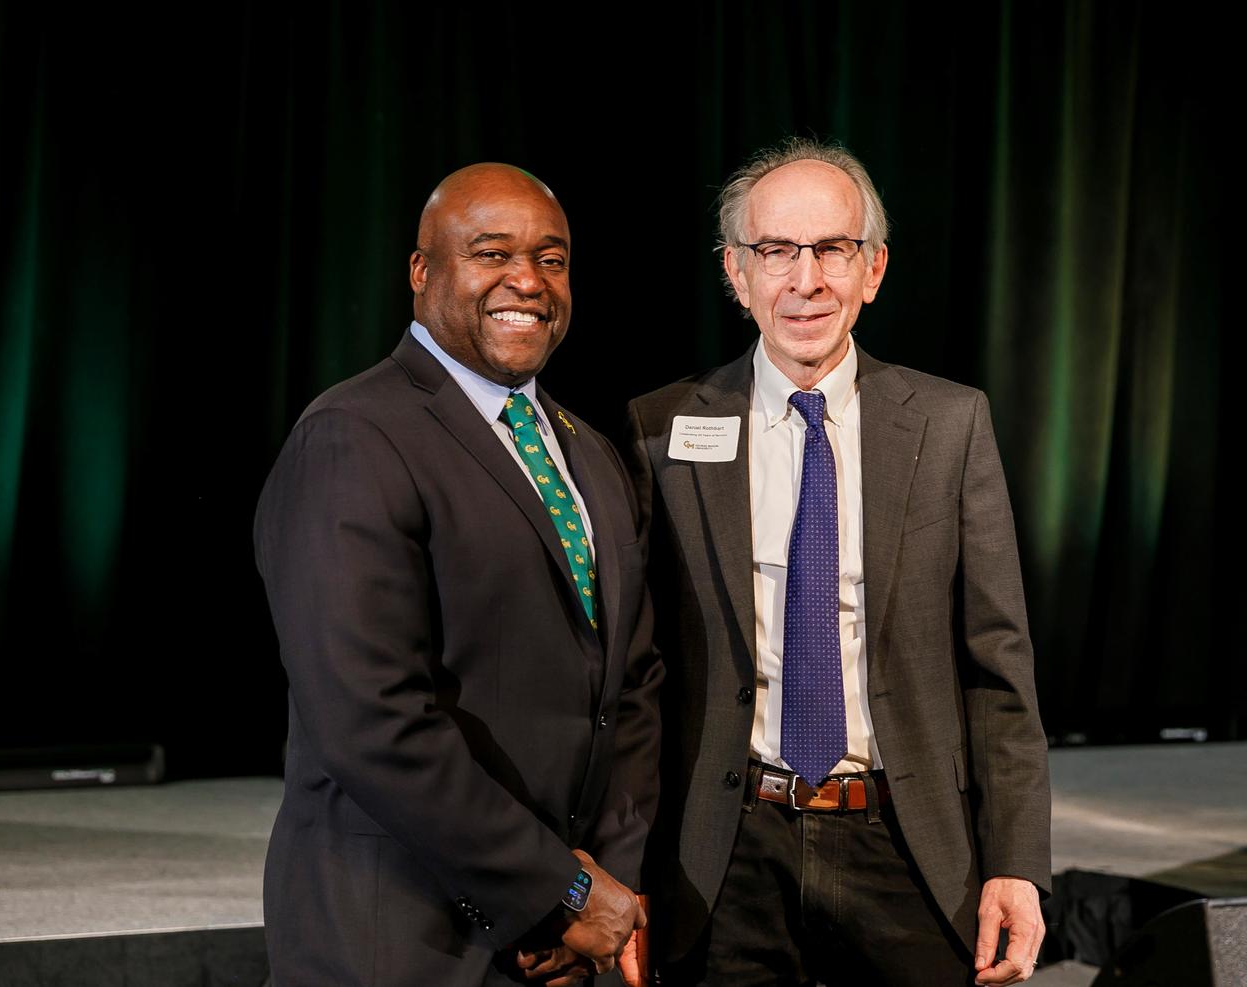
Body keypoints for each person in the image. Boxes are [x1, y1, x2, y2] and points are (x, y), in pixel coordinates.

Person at [624, 139, 1050, 986]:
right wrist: (621, 861)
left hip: (909, 842)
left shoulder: (951, 424)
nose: (806, 279)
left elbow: (998, 669)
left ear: (874, 269)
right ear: (735, 275)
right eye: (776, 250)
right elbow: (639, 678)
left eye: (832, 248)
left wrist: (1018, 862)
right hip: (725, 852)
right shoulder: (661, 428)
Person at [254, 163, 661, 986]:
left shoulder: (591, 453)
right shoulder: (353, 436)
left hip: (558, 956)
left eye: (552, 258)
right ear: (421, 272)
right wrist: (561, 890)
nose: (527, 280)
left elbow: (632, 689)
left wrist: (598, 896)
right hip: (400, 944)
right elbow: (372, 723)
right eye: (491, 253)